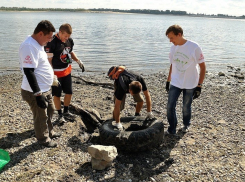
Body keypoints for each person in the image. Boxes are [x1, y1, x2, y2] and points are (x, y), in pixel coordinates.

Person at [19, 20, 61, 148]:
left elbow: (41, 64)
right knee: (41, 116)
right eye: (48, 37)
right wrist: (38, 94)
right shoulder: (29, 46)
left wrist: (52, 78)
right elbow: (28, 71)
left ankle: (48, 131)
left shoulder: (38, 43)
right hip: (34, 90)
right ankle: (43, 139)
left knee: (51, 110)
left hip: (45, 88)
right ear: (41, 33)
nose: (49, 41)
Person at [165, 24, 206, 134]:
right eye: (169, 38)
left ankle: (186, 124)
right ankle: (172, 128)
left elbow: (202, 67)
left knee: (186, 106)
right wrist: (168, 81)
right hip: (176, 81)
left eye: (171, 37)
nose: (170, 40)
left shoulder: (194, 47)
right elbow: (172, 64)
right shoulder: (173, 48)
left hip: (190, 83)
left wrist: (199, 85)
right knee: (170, 106)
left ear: (179, 34)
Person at [45, 23, 85, 123]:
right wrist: (51, 74)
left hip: (66, 71)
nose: (66, 38)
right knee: (57, 95)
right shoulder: (51, 42)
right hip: (56, 73)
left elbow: (70, 52)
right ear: (60, 32)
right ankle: (59, 114)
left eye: (69, 36)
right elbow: (48, 59)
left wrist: (78, 61)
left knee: (69, 92)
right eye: (65, 36)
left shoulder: (69, 41)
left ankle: (66, 111)